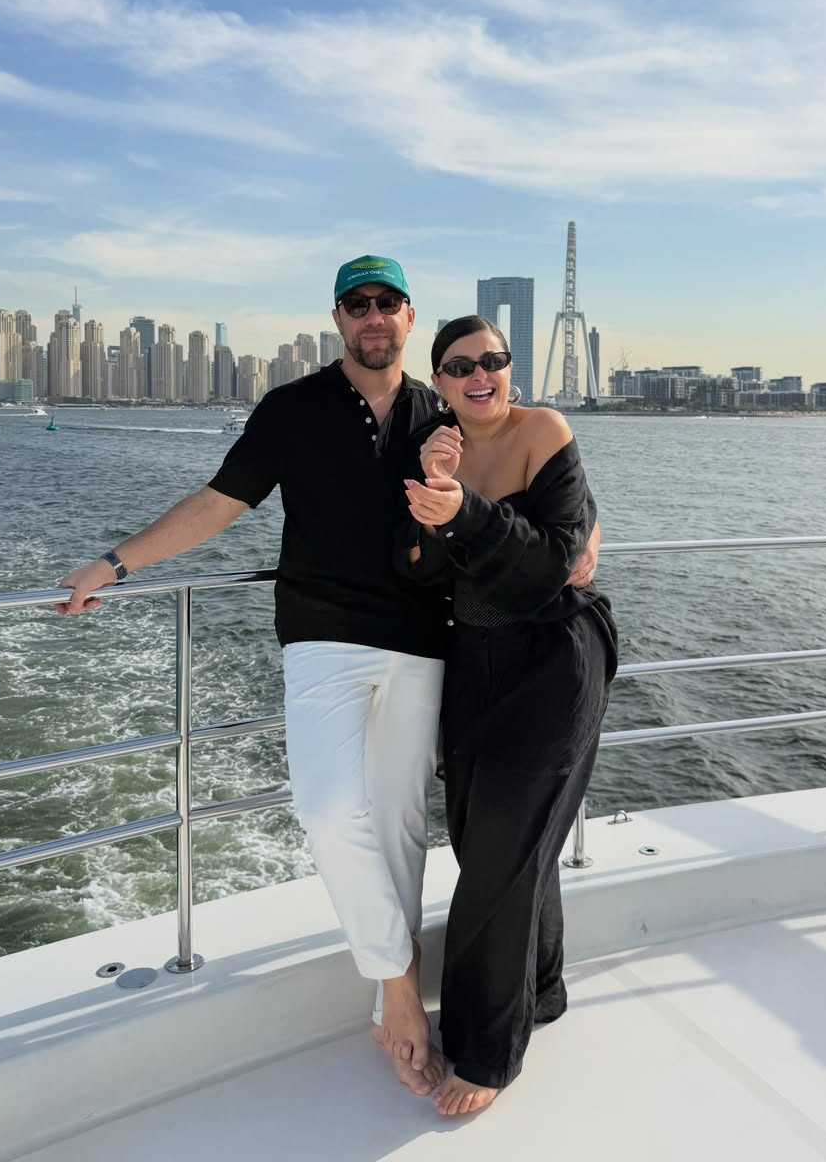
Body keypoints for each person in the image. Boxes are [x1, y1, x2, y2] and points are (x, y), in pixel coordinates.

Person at [57, 256, 452, 1094]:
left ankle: (393, 1000)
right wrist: (114, 564)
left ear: (409, 316)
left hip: (422, 642)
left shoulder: (440, 413)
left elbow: (516, 480)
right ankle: (398, 986)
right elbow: (219, 501)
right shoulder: (292, 409)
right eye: (357, 304)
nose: (373, 316)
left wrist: (583, 537)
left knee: (400, 824)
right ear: (337, 319)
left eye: (387, 302)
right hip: (323, 638)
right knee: (327, 808)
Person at [401, 315, 617, 1118]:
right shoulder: (435, 448)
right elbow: (416, 570)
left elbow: (556, 563)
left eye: (491, 360)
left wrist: (461, 510)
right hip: (473, 660)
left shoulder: (542, 430)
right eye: (460, 366)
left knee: (501, 854)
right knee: (493, 841)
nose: (478, 375)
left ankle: (488, 1051)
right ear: (439, 381)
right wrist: (432, 496)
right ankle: (543, 989)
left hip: (554, 657)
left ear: (510, 368)